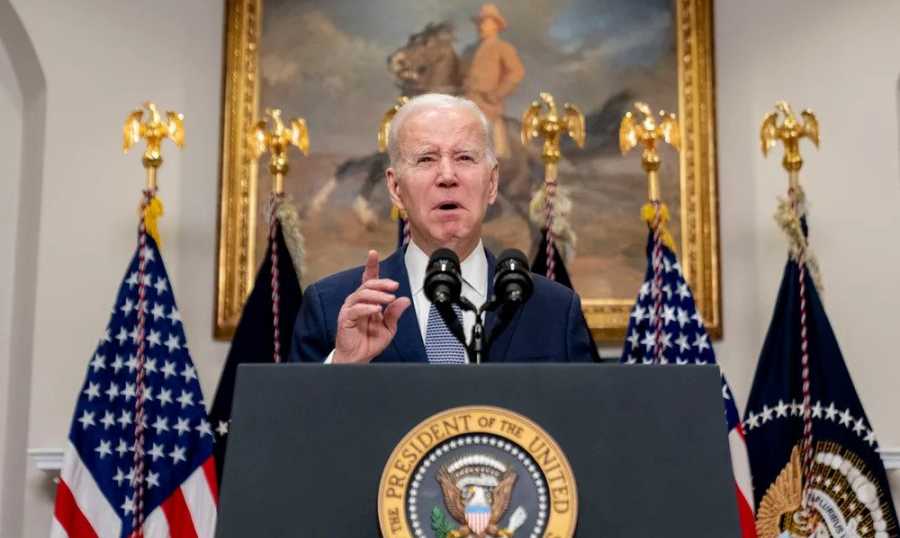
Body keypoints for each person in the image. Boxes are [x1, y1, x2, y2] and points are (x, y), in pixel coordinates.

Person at [289, 93, 597, 364]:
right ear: (395, 189)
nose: (447, 176)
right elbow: (295, 413)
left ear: (492, 183)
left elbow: (586, 412)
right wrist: (343, 366)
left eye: (464, 157)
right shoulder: (332, 306)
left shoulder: (554, 310)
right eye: (426, 159)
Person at [462, 3, 525, 159]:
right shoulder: (470, 51)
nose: (480, 26)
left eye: (485, 22)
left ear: (496, 25)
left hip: (488, 105)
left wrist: (497, 94)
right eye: (479, 23)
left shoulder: (502, 47)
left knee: (495, 150)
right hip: (466, 103)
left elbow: (516, 72)